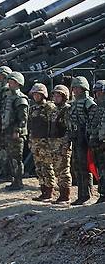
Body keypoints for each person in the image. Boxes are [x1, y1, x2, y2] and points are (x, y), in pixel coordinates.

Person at [68, 76, 96, 205]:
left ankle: (86, 195)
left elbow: (93, 121)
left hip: (85, 138)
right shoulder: (73, 104)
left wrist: (89, 136)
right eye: (74, 88)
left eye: (78, 88)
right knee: (77, 166)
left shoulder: (88, 103)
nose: (75, 90)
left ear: (84, 88)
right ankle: (81, 194)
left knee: (85, 167)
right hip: (76, 137)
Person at [27, 83, 56, 201]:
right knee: (39, 168)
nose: (36, 96)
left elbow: (53, 125)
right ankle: (43, 190)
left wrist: (51, 142)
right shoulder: (33, 108)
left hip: (46, 143)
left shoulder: (49, 107)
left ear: (43, 94)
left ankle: (49, 191)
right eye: (34, 94)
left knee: (47, 167)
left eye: (38, 94)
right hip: (35, 142)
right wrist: (30, 141)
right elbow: (30, 125)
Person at [1, 72, 29, 190]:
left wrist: (17, 130)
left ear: (18, 83)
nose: (10, 84)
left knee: (17, 158)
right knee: (10, 157)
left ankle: (18, 182)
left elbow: (23, 118)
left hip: (16, 133)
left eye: (12, 82)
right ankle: (14, 180)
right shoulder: (9, 97)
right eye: (9, 82)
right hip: (8, 131)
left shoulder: (20, 99)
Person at [49, 85, 72, 203]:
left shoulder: (67, 109)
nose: (55, 98)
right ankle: (60, 194)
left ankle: (65, 195)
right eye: (54, 95)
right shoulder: (54, 110)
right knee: (57, 169)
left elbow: (69, 129)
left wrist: (65, 145)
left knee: (63, 170)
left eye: (58, 96)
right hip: (54, 143)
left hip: (62, 143)